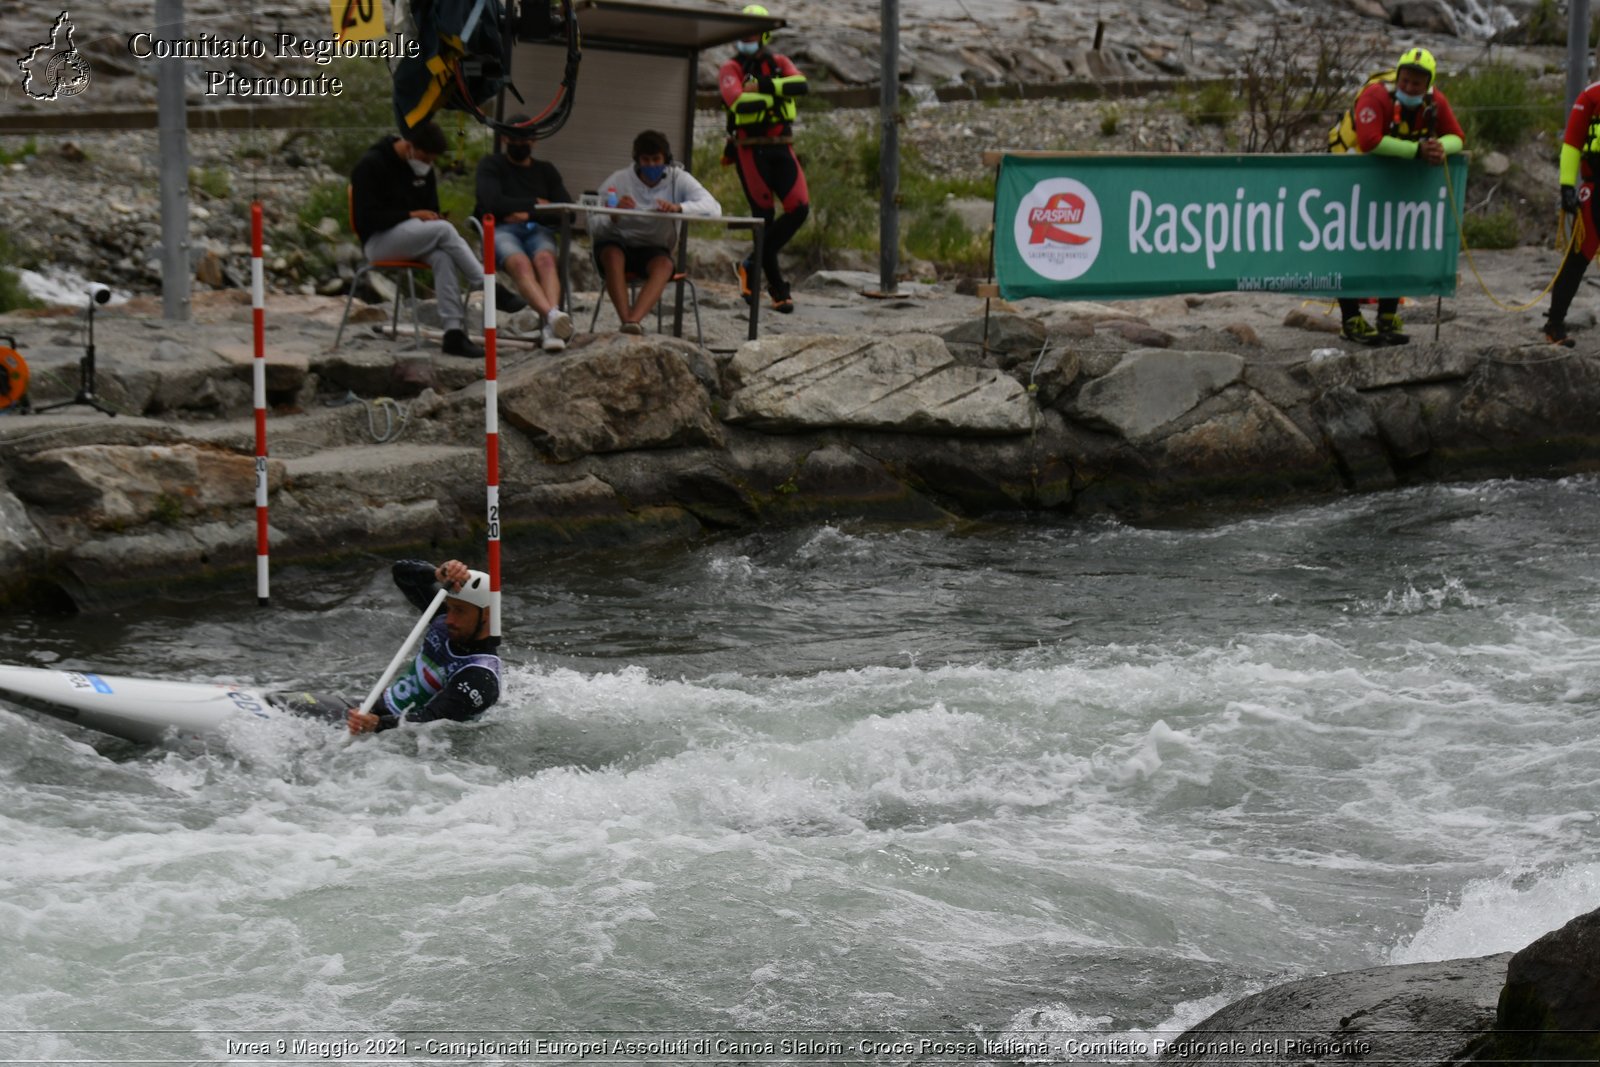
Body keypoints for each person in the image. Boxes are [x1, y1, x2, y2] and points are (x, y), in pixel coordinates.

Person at [1327, 47, 1465, 345]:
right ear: (1397, 77)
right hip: (1349, 174)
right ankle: (1350, 319)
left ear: (1427, 84)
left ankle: (1387, 315)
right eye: (1405, 81)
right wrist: (1418, 151)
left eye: (1416, 83)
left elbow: (1457, 136)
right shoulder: (1375, 96)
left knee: (1396, 240)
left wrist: (1441, 147)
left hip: (1391, 175)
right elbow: (1369, 141)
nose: (1409, 87)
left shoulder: (1434, 101)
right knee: (1349, 244)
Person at [350, 121, 486, 359]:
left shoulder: (425, 171)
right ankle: (484, 281)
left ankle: (453, 333)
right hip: (378, 241)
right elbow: (367, 218)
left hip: (411, 237)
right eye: (425, 158)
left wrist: (429, 216)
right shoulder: (371, 165)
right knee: (443, 230)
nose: (427, 165)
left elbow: (430, 208)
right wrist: (411, 215)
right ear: (410, 146)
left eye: (432, 160)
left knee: (443, 256)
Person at [346, 558, 502, 736]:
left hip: (396, 738)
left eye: (459, 611)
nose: (449, 619)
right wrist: (435, 574)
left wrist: (378, 724)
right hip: (370, 710)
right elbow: (401, 573)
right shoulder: (444, 620)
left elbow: (431, 720)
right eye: (449, 608)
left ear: (487, 614)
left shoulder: (481, 677)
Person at [719, 3, 808, 314]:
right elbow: (737, 103)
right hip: (749, 149)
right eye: (745, 32)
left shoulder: (780, 62)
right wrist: (777, 93)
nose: (749, 37)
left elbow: (802, 85)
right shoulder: (730, 68)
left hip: (782, 146)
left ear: (765, 35)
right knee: (764, 218)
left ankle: (751, 264)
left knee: (799, 208)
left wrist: (764, 87)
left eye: (755, 32)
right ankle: (778, 290)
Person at [587, 130, 722, 335]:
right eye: (646, 160)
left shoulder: (679, 179)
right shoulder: (619, 180)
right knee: (613, 255)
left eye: (656, 159)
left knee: (665, 264)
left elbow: (713, 208)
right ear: (637, 160)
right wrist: (614, 215)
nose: (651, 165)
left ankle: (633, 321)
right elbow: (593, 224)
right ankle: (628, 321)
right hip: (617, 243)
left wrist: (680, 208)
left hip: (653, 248)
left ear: (666, 159)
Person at [474, 116, 577, 353]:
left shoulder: (546, 171)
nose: (522, 144)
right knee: (520, 263)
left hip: (536, 229)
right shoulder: (492, 165)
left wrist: (526, 214)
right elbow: (490, 203)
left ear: (534, 141)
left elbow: (566, 212)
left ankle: (551, 326)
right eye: (516, 138)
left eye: (527, 139)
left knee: (546, 261)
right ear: (505, 139)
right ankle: (553, 319)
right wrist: (537, 203)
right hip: (501, 230)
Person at [1544, 45, 1600, 348]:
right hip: (1595, 190)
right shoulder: (1591, 97)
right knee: (1580, 256)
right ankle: (1555, 322)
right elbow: (1572, 144)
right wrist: (1567, 186)